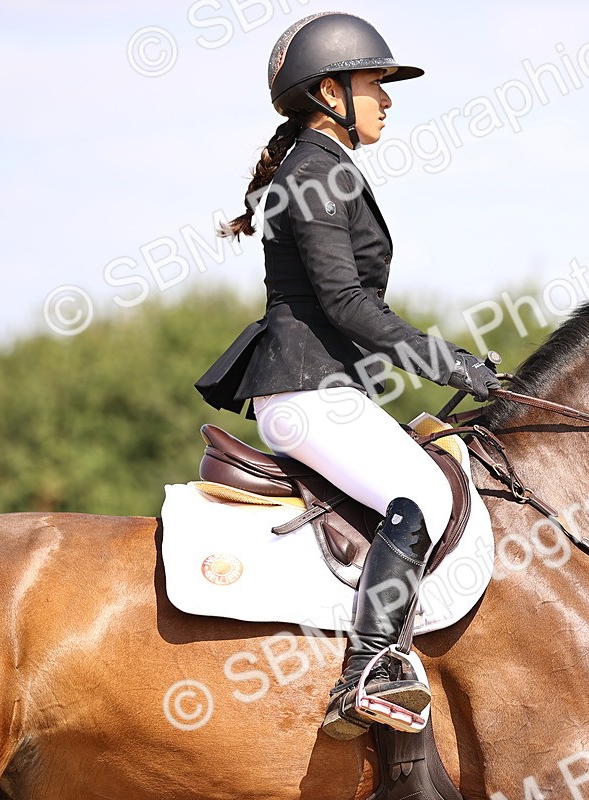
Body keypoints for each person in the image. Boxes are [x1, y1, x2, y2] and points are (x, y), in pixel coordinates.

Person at [195, 12, 501, 741]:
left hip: (321, 388)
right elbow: (347, 304)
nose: (388, 99)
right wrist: (448, 362)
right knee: (422, 494)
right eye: (376, 84)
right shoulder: (316, 170)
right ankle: (367, 669)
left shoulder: (322, 166)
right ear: (330, 90)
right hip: (305, 389)